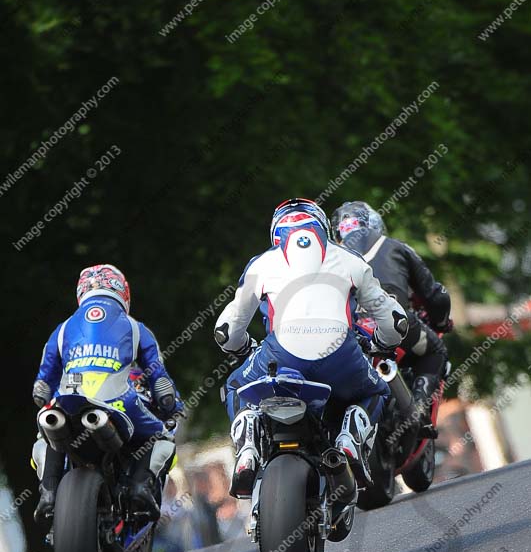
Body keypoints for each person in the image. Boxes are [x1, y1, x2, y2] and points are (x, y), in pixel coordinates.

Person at [214, 198, 409, 498]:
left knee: (234, 385)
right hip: (343, 358)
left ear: (276, 233)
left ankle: (248, 442)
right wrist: (382, 343)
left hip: (280, 358)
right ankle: (350, 438)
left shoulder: (262, 263)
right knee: (375, 391)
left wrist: (242, 350)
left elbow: (227, 330)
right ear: (323, 229)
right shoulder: (350, 259)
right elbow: (395, 322)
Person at [32, 264, 183, 525]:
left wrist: (47, 400)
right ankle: (139, 487)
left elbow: (42, 385)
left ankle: (47, 492)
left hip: (67, 400)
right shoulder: (135, 327)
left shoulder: (64, 328)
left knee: (44, 435)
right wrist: (172, 406)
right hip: (120, 401)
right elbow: (160, 381)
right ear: (123, 292)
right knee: (164, 438)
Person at [331, 201, 452, 431]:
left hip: (346, 332)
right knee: (435, 351)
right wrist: (442, 322)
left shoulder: (328, 257)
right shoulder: (395, 246)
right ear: (375, 223)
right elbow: (436, 296)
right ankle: (416, 411)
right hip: (396, 323)